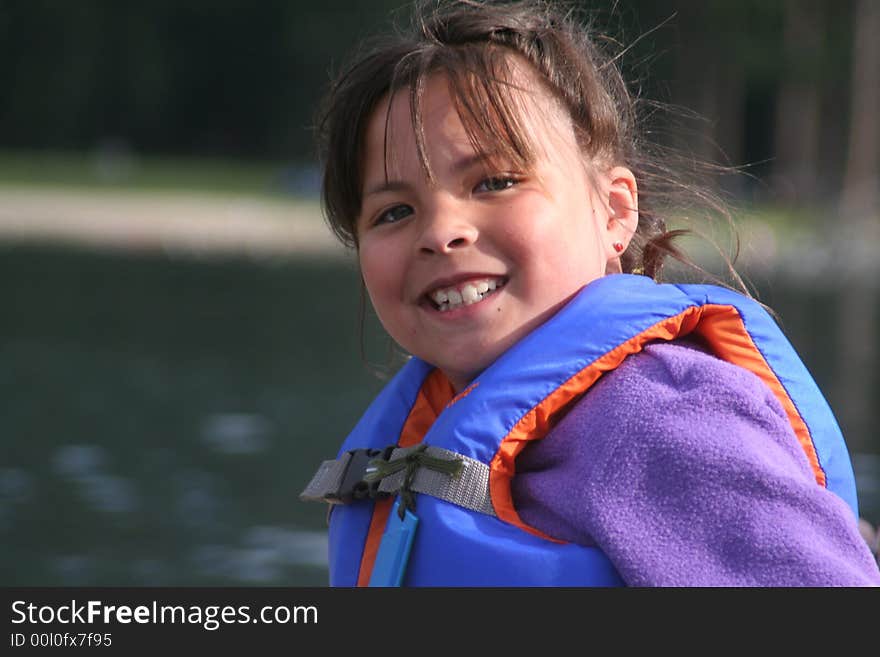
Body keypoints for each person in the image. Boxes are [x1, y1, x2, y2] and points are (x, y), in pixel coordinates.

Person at [301, 0, 880, 586]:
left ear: (614, 211)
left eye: (496, 182)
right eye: (394, 211)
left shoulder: (667, 417)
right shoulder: (433, 426)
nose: (440, 232)